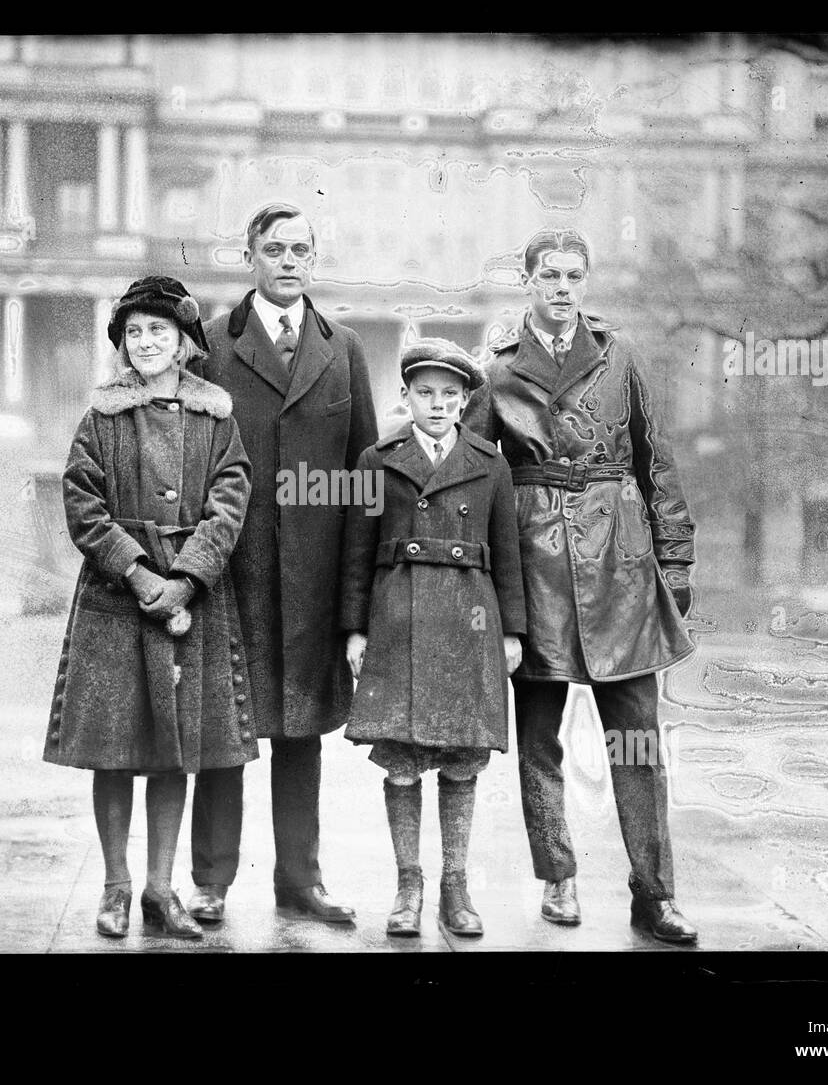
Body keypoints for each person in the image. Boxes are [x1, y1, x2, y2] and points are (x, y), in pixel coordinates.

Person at [464, 228, 700, 944]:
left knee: (637, 741)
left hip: (619, 566)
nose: (562, 287)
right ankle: (558, 874)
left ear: (585, 281)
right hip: (533, 567)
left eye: (573, 275)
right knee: (538, 738)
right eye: (549, 275)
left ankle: (654, 893)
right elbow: (476, 477)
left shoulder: (621, 356)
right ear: (528, 280)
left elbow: (656, 458)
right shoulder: (498, 369)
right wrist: (479, 581)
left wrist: (676, 557)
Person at [43, 276, 255, 940]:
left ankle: (162, 889)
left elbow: (230, 498)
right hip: (115, 601)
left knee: (174, 749)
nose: (145, 342)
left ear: (186, 342)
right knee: (113, 747)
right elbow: (83, 502)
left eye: (158, 330)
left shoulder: (216, 417)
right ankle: (115, 885)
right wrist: (138, 574)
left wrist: (187, 578)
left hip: (192, 603)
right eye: (133, 332)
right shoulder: (101, 418)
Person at [187, 202, 378, 924]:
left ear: (314, 258)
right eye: (275, 248)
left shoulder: (344, 348)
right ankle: (210, 880)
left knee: (302, 731)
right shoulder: (209, 344)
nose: (289, 260)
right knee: (224, 728)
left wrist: (353, 603)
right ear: (250, 258)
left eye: (301, 248)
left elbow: (363, 483)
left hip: (314, 584)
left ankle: (301, 879)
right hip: (234, 575)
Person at [339, 340, 526, 937]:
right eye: (426, 393)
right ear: (407, 397)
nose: (438, 404)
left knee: (461, 759)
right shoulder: (377, 459)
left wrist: (512, 632)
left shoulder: (491, 464)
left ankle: (456, 885)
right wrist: (354, 628)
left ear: (467, 400)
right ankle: (407, 885)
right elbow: (355, 553)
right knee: (399, 759)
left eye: (450, 394)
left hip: (470, 621)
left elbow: (510, 556)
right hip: (398, 618)